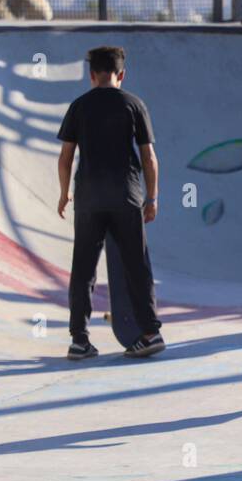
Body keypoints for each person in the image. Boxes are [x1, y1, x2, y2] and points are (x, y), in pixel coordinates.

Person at [56, 46, 164, 360]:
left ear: (92, 75)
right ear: (122, 74)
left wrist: (64, 193)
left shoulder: (79, 106)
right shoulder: (134, 104)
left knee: (84, 269)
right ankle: (150, 332)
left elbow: (65, 158)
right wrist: (152, 197)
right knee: (136, 265)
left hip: (89, 197)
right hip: (126, 196)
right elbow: (148, 157)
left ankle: (79, 339)